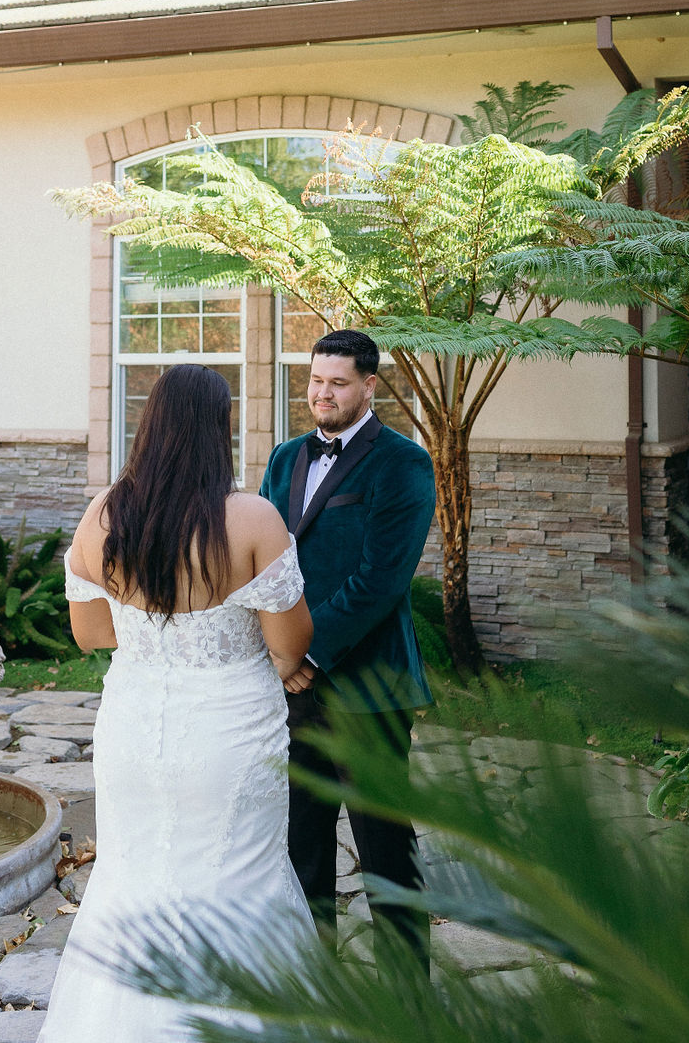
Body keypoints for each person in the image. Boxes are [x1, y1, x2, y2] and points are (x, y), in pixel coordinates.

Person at [38, 365, 315, 1043]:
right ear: (217, 430)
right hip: (231, 733)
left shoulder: (102, 517)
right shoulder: (251, 519)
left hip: (135, 727)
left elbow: (92, 634)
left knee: (130, 877)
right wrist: (281, 659)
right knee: (239, 876)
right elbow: (290, 643)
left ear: (150, 425)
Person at [259, 329, 437, 971]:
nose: (322, 393)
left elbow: (380, 581)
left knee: (384, 843)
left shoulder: (405, 464)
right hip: (292, 688)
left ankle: (406, 990)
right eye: (315, 380)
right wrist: (279, 654)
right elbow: (266, 563)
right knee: (300, 839)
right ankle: (316, 974)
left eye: (337, 383)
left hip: (368, 685)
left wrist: (305, 651)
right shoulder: (284, 459)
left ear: (369, 386)